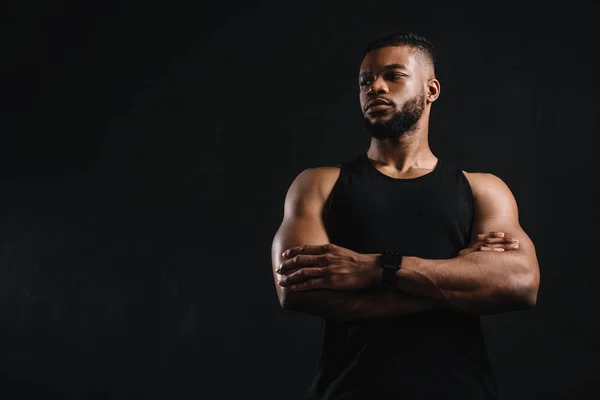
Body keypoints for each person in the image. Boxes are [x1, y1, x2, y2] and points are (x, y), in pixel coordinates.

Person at [270, 32, 540, 400]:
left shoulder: (483, 190)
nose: (375, 87)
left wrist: (378, 270)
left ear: (431, 90)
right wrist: (458, 288)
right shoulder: (319, 184)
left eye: (393, 75)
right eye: (365, 81)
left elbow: (521, 284)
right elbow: (297, 289)